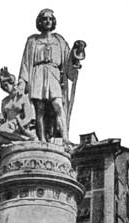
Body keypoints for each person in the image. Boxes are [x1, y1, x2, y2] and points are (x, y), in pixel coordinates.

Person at [18, 8, 82, 145]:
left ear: (53, 22)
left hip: (54, 74)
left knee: (58, 105)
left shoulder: (59, 40)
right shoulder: (32, 41)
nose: (47, 21)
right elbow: (25, 62)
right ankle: (41, 139)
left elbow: (68, 61)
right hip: (38, 74)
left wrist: (75, 58)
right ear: (40, 22)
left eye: (50, 19)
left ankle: (65, 138)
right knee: (39, 110)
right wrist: (22, 82)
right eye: (44, 19)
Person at [0, 67, 37, 154]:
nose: (5, 88)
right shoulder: (4, 102)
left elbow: (29, 116)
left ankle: (24, 138)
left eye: (6, 85)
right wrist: (1, 118)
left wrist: (20, 126)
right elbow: (5, 121)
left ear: (12, 83)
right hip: (9, 128)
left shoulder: (23, 98)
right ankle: (21, 141)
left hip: (20, 126)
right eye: (3, 86)